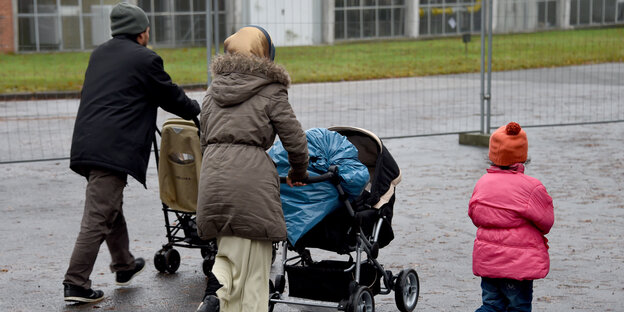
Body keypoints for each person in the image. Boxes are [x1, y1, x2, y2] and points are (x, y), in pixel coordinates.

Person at [63, 2, 200, 303]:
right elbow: (170, 95)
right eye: (148, 29)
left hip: (89, 143)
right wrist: (195, 110)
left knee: (109, 206)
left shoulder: (100, 53)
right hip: (112, 147)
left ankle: (123, 265)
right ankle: (76, 282)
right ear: (141, 32)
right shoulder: (145, 59)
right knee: (99, 215)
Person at [195, 26, 309, 312]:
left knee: (230, 248)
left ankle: (218, 291)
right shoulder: (271, 90)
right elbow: (295, 139)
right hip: (251, 180)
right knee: (256, 263)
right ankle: (218, 292)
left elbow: (202, 138)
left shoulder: (213, 91)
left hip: (213, 176)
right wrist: (298, 172)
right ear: (265, 54)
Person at [468, 122, 554, 312]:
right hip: (518, 264)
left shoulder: (482, 183)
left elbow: (474, 215)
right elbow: (547, 221)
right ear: (523, 155)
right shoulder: (532, 187)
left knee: (491, 305)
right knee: (518, 307)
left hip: (489, 259)